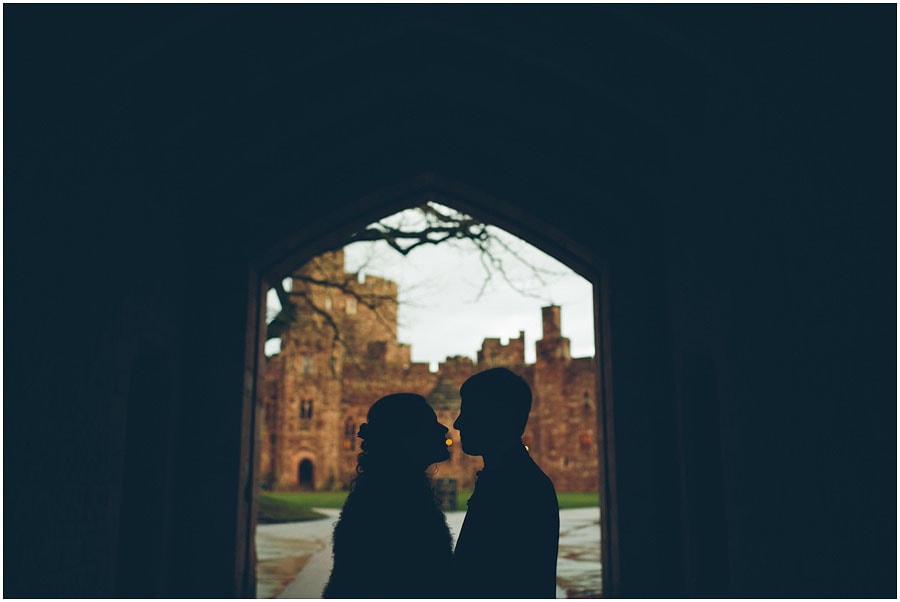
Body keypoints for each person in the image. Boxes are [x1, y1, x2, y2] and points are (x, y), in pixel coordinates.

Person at [322, 392, 454, 598]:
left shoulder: (389, 491)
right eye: (431, 423)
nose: (443, 429)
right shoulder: (393, 505)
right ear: (406, 438)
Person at [452, 367, 560, 598]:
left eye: (467, 412)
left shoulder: (518, 486)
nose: (458, 423)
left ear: (494, 416)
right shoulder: (510, 476)